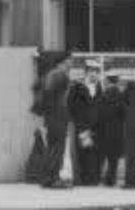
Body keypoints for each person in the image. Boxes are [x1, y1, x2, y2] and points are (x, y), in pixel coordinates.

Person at [37, 51, 74, 189]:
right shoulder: (59, 75)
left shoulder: (51, 74)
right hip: (58, 116)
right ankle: (53, 178)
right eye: (69, 60)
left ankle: (48, 178)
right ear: (62, 62)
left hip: (52, 116)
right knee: (58, 148)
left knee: (52, 147)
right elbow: (53, 96)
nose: (71, 63)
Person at [67, 61, 101, 186]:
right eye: (93, 71)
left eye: (97, 72)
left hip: (95, 125)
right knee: (83, 151)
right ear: (87, 72)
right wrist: (77, 120)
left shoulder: (98, 87)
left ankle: (92, 178)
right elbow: (71, 105)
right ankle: (82, 179)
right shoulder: (77, 87)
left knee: (93, 151)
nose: (95, 74)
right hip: (82, 125)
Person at [94, 74, 126, 187]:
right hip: (117, 130)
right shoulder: (121, 95)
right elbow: (124, 113)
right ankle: (111, 179)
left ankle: (98, 178)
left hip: (103, 130)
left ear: (108, 81)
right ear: (117, 81)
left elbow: (98, 113)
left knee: (101, 156)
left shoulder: (103, 95)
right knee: (114, 158)